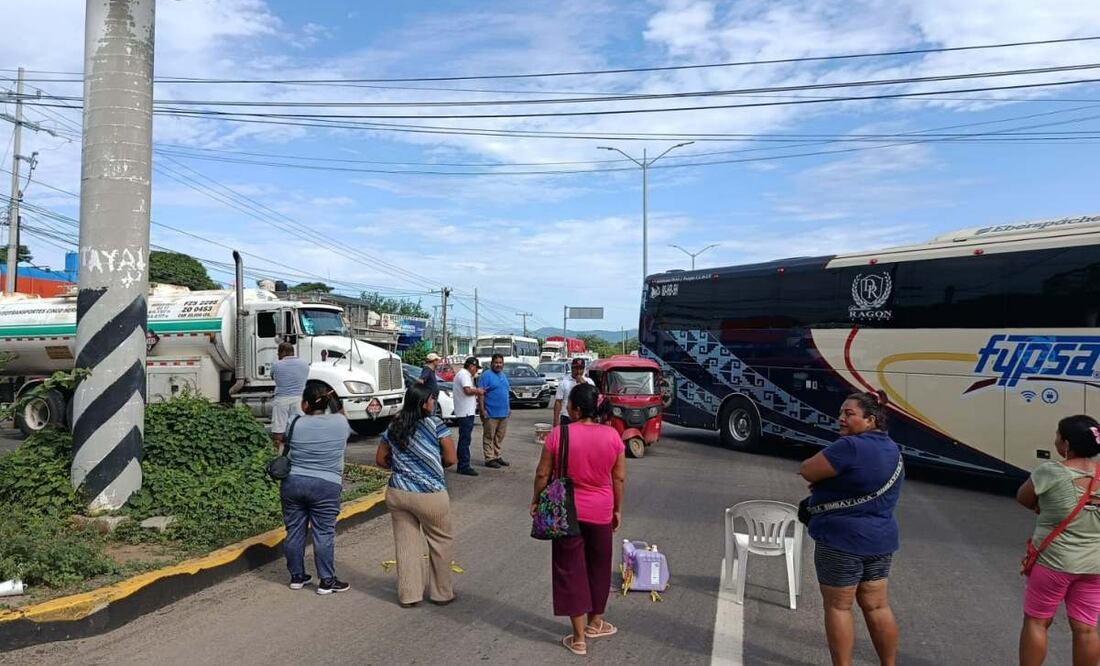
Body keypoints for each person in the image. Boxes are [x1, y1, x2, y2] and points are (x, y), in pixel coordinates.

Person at [798, 391, 903, 666]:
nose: (841, 419)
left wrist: (822, 486)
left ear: (870, 419)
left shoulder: (850, 447)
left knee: (838, 607)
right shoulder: (892, 448)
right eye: (841, 413)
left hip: (841, 540)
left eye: (849, 414)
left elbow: (808, 469)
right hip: (880, 541)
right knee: (877, 606)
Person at [530, 383, 626, 656]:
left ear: (576, 409)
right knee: (599, 566)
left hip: (566, 512)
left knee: (570, 570)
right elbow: (618, 477)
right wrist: (617, 510)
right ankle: (596, 622)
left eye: (570, 404)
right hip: (601, 511)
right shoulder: (612, 437)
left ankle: (579, 638)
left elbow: (541, 473)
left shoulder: (559, 435)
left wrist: (536, 500)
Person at [1016, 414, 1100, 666]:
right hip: (1094, 566)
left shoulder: (1051, 471)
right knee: (1086, 628)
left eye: (1057, 435)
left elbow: (1023, 497)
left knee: (1037, 621)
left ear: (1066, 444)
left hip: (1053, 562)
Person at [376, 383, 458, 608]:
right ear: (424, 403)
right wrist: (431, 465)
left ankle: (409, 595)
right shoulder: (436, 425)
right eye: (432, 399)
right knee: (440, 541)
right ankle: (442, 593)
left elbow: (380, 459)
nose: (433, 403)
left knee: (406, 544)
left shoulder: (394, 425)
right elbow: (451, 458)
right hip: (430, 493)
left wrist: (403, 467)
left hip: (398, 492)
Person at [281, 380, 351, 595]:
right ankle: (327, 581)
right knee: (323, 533)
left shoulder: (294, 422)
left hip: (293, 482)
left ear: (305, 404)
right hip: (327, 484)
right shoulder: (340, 423)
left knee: (294, 530)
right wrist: (334, 400)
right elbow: (341, 412)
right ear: (329, 401)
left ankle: (297, 576)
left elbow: (284, 443)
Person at [270, 342, 309, 449]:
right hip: (299, 399)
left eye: (278, 352)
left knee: (278, 428)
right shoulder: (304, 364)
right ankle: (300, 450)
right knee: (298, 426)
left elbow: (273, 377)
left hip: (281, 399)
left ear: (283, 352)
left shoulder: (276, 364)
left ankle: (276, 453)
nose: (278, 355)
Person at [452, 357, 485, 477]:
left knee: (465, 439)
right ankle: (464, 465)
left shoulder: (463, 374)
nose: (476, 371)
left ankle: (463, 464)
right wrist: (478, 391)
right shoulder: (464, 375)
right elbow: (467, 390)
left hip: (466, 411)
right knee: (465, 440)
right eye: (476, 368)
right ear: (472, 366)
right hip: (465, 412)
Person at [479, 353, 511, 469]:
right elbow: (481, 394)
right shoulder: (486, 376)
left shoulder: (503, 375)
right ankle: (489, 458)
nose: (498, 365)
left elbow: (506, 393)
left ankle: (497, 456)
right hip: (490, 413)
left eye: (500, 363)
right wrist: (482, 410)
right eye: (496, 362)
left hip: (503, 413)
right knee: (489, 436)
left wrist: (509, 408)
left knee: (499, 437)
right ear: (491, 363)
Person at [553, 357, 594, 426]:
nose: (578, 371)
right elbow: (558, 402)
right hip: (566, 417)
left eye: (581, 369)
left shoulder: (589, 382)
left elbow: (594, 397)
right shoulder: (564, 382)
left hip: (583, 418)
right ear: (572, 368)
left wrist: (584, 384)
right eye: (576, 368)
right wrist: (556, 420)